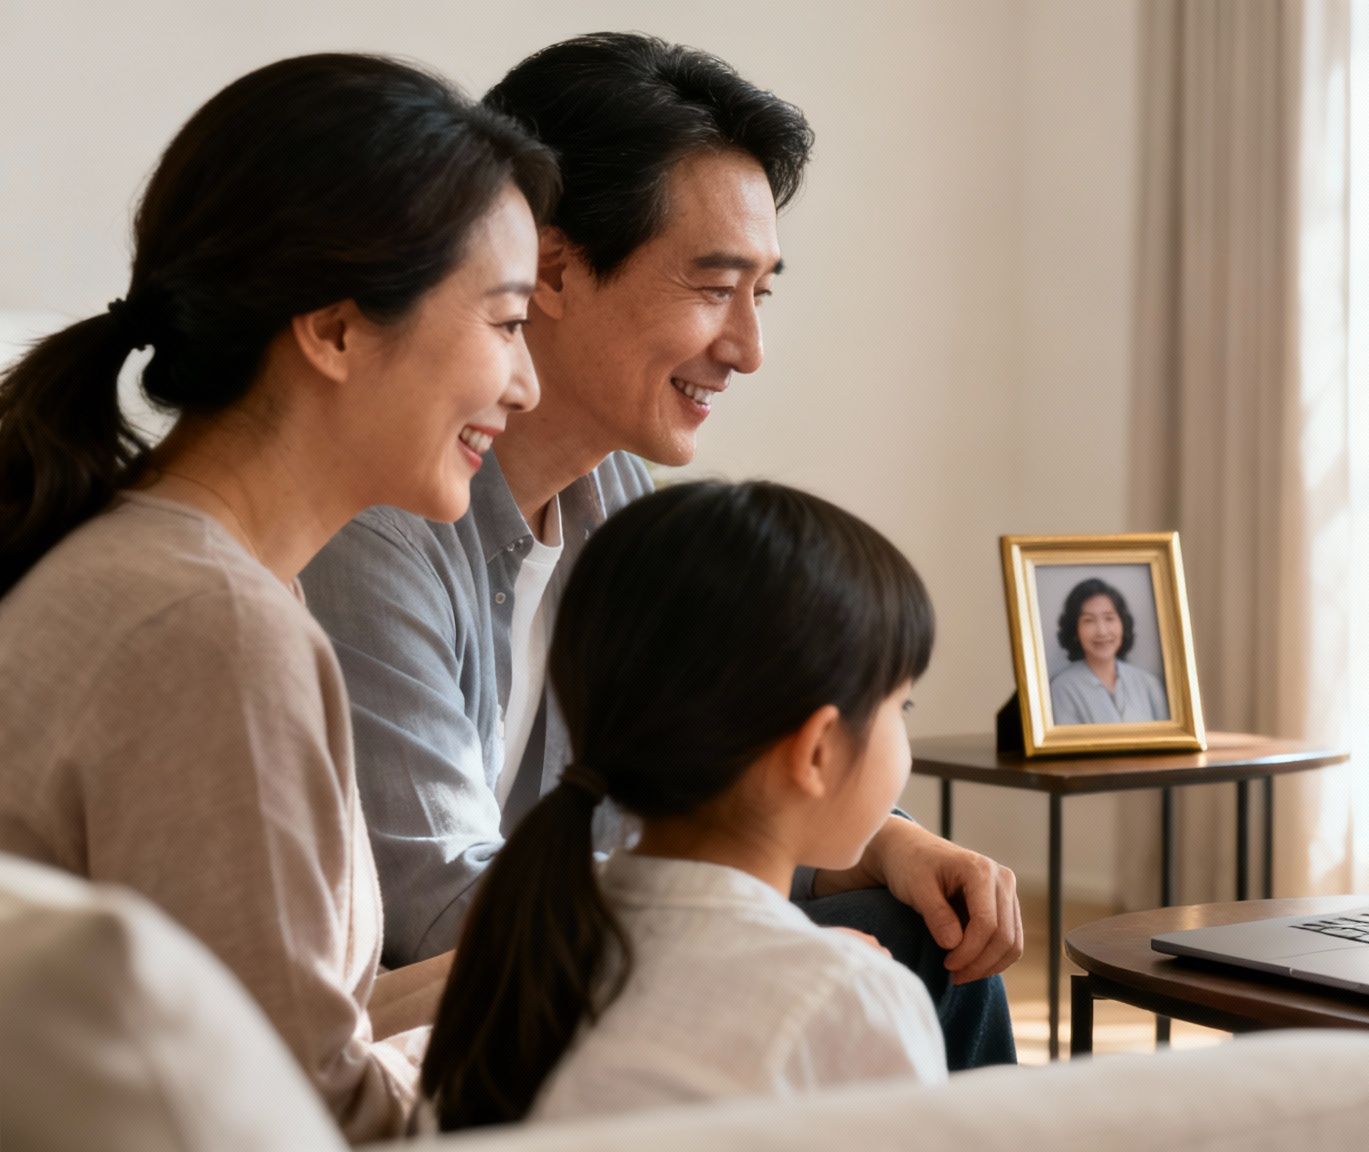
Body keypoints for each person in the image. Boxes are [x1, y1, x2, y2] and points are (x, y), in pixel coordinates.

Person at [301, 33, 1020, 1068]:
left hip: (563, 961)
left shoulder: (612, 498)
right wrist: (773, 946)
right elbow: (445, 909)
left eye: (759, 293)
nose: (747, 347)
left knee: (929, 934)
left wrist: (893, 843)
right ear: (551, 267)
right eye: (711, 286)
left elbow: (702, 792)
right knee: (876, 965)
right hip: (441, 1021)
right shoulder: (378, 519)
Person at [0, 55, 557, 1140]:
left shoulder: (189, 575)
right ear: (336, 328)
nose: (525, 384)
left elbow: (298, 1025)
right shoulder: (208, 629)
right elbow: (312, 1109)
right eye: (504, 323)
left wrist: (581, 950)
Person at [422, 480, 947, 1128]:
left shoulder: (525, 944)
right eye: (903, 706)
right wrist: (836, 983)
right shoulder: (852, 1002)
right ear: (816, 751)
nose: (905, 730)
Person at [1048, 578, 1171, 725]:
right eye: (1089, 620)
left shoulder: (1149, 683)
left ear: (1123, 624)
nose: (1102, 631)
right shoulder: (1062, 688)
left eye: (1109, 618)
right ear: (1075, 630)